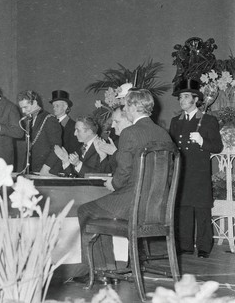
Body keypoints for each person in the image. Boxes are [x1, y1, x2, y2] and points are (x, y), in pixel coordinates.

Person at [76, 89, 172, 281]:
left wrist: (113, 183)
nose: (125, 109)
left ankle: (98, 271)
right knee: (98, 210)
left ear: (134, 106)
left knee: (85, 210)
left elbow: (122, 177)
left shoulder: (130, 132)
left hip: (131, 206)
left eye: (127, 105)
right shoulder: (164, 135)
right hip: (157, 210)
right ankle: (107, 268)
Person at [169, 79, 223, 259]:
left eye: (185, 96)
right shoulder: (175, 121)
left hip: (199, 173)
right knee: (183, 209)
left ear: (195, 99)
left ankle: (204, 246)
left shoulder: (208, 120)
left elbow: (217, 147)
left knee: (202, 210)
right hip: (182, 172)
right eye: (180, 97)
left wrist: (202, 141)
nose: (181, 100)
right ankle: (185, 245)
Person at [17, 90, 62, 175]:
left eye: (25, 107)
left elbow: (56, 147)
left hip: (47, 170)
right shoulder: (30, 120)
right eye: (21, 108)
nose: (23, 111)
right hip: (34, 169)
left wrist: (45, 168)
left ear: (34, 103)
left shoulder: (49, 119)